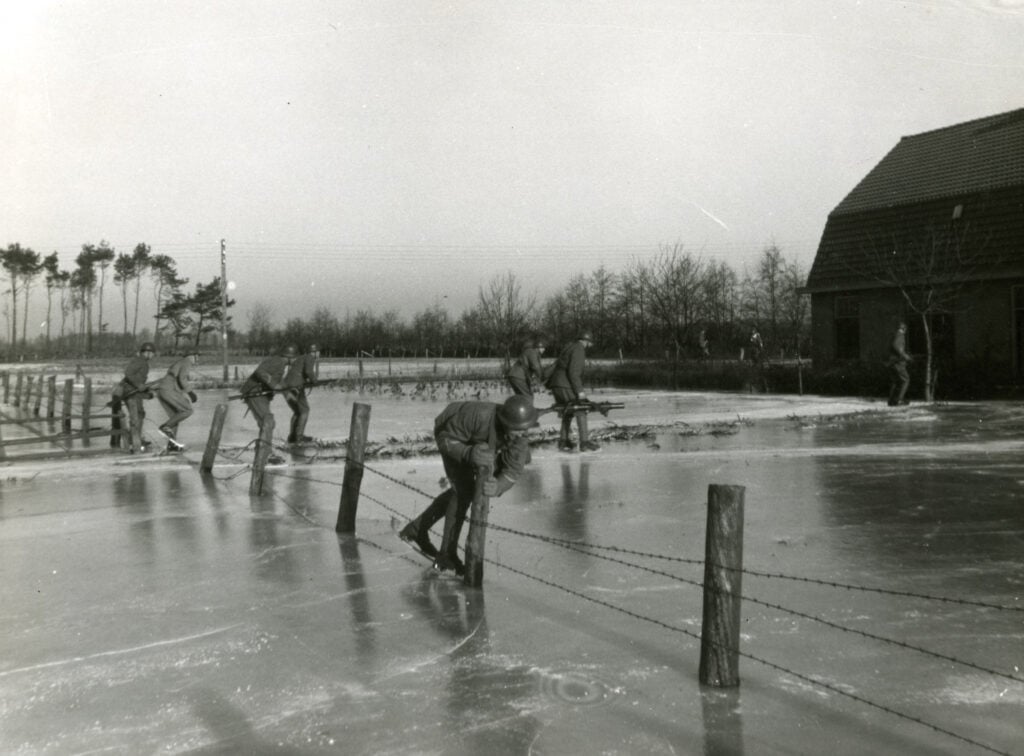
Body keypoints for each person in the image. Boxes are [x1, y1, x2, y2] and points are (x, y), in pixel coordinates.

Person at [400, 395, 538, 575]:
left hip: (477, 440)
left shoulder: (520, 434)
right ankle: (446, 553)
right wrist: (467, 453)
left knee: (464, 492)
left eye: (525, 431)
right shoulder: (477, 416)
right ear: (505, 422)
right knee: (463, 491)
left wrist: (498, 486)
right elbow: (444, 439)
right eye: (517, 430)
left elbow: (512, 470)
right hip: (451, 431)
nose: (522, 435)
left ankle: (417, 529)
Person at [545, 331, 599, 452]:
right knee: (581, 410)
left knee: (567, 412)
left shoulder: (570, 346)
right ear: (587, 341)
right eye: (590, 342)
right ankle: (584, 443)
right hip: (565, 385)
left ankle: (563, 441)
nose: (590, 345)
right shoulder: (579, 349)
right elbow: (573, 372)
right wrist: (579, 391)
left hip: (556, 384)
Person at [239, 345, 297, 434]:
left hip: (261, 394)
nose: (295, 360)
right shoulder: (277, 362)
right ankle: (264, 447)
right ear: (288, 357)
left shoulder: (280, 363)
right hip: (255, 392)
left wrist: (287, 392)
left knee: (266, 422)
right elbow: (260, 371)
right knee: (268, 421)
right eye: (294, 357)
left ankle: (263, 445)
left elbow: (278, 379)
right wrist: (273, 385)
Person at [113, 342, 155, 453]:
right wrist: (138, 385)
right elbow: (128, 373)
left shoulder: (143, 362)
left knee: (140, 414)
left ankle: (136, 439)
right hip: (131, 393)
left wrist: (146, 391)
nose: (153, 356)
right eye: (152, 353)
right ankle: (135, 444)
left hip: (134, 393)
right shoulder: (140, 361)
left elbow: (137, 380)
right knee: (135, 418)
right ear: (147, 353)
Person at [154, 349, 200, 452]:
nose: (198, 359)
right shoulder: (186, 361)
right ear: (192, 355)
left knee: (175, 417)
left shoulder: (180, 362)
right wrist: (191, 393)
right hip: (168, 390)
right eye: (197, 355)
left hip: (162, 390)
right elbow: (181, 378)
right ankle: (164, 427)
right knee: (188, 410)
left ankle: (172, 445)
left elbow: (176, 380)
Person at [283, 342, 320, 444]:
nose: (319, 354)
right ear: (315, 352)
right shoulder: (310, 357)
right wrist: (314, 381)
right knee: (305, 410)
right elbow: (308, 371)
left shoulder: (301, 358)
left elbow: (298, 372)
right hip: (296, 387)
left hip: (286, 387)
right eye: (319, 351)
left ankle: (292, 437)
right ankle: (299, 437)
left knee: (297, 411)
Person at [887, 321, 912, 406]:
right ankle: (899, 400)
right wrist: (905, 356)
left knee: (896, 381)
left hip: (892, 362)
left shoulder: (894, 335)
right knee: (906, 380)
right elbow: (897, 346)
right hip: (898, 362)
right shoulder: (900, 335)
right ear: (904, 328)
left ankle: (891, 401)